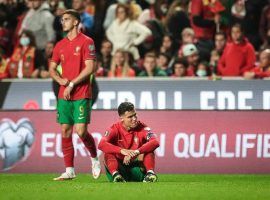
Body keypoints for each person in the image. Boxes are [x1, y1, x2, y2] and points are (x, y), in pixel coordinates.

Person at [49, 9, 101, 181]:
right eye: (61, 19)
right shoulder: (59, 45)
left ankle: (94, 158)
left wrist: (71, 83)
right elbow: (51, 68)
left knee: (80, 131)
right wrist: (60, 79)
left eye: (66, 19)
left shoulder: (87, 42)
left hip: (82, 92)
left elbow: (90, 68)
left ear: (76, 22)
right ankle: (69, 171)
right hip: (65, 94)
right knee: (65, 131)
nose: (62, 22)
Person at [98, 102, 160, 182]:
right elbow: (101, 144)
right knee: (108, 152)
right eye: (130, 117)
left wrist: (136, 152)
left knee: (149, 149)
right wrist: (122, 151)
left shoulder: (142, 127)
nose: (134, 119)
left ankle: (150, 174)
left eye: (135, 115)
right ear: (121, 118)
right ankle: (116, 175)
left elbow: (155, 142)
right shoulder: (114, 129)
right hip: (119, 168)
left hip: (135, 168)